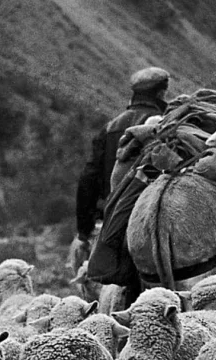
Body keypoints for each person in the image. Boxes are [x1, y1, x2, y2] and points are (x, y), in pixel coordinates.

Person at [72, 67, 170, 261]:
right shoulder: (164, 126)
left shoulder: (110, 128)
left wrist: (84, 231)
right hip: (153, 221)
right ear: (161, 93)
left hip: (114, 220)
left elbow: (88, 179)